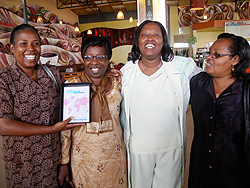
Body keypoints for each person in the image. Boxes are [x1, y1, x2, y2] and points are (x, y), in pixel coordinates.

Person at [120, 20, 201, 188]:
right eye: (144, 35)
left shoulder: (183, 67)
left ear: (163, 41)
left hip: (171, 148)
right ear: (137, 41)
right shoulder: (126, 72)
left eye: (156, 35)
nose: (150, 39)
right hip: (138, 150)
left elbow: (208, 83)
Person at [0, 24, 81, 187]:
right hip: (22, 165)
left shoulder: (51, 74)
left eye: (35, 43)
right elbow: (4, 126)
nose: (30, 49)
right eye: (23, 43)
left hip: (53, 161)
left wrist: (105, 72)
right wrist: (52, 129)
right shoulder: (4, 79)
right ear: (11, 47)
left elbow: (74, 92)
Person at [58, 36, 127, 187]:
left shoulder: (118, 86)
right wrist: (64, 163)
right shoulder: (72, 86)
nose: (94, 62)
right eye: (88, 57)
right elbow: (65, 130)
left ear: (108, 59)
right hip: (83, 161)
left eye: (100, 57)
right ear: (83, 59)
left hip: (114, 158)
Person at [188, 33, 250, 188]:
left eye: (217, 55)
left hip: (233, 171)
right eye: (210, 53)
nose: (209, 58)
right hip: (201, 167)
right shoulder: (198, 84)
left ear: (235, 60)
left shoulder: (245, 90)